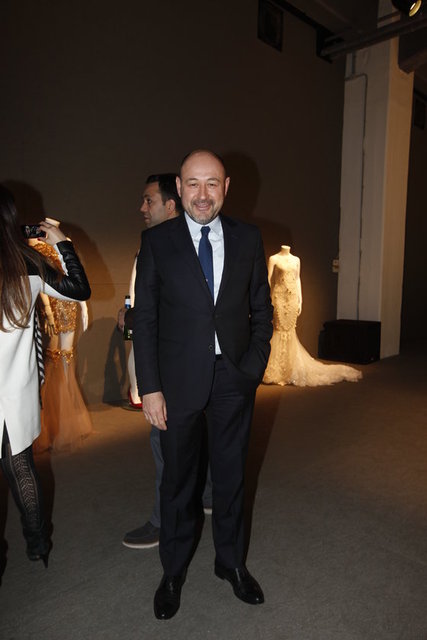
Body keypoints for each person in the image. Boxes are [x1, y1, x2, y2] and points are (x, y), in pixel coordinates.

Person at [133, 150, 273, 619]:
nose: (202, 194)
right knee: (178, 482)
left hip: (234, 377)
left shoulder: (248, 238)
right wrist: (150, 388)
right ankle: (172, 571)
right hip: (177, 384)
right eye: (193, 183)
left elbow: (261, 308)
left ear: (226, 187)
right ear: (179, 186)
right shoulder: (157, 242)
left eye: (212, 183)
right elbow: (145, 320)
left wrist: (253, 366)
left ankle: (230, 563)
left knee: (232, 478)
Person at [119, 174, 212, 550]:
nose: (142, 208)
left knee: (165, 447)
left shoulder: (177, 247)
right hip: (183, 364)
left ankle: (163, 522)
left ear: (170, 205)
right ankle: (205, 495)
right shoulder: (167, 243)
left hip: (171, 367)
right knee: (188, 439)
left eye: (149, 201)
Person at [0, 185, 91, 567]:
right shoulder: (27, 263)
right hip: (14, 392)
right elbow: (79, 289)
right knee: (21, 467)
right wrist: (61, 242)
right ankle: (38, 544)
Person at [29, 218, 92, 453]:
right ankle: (53, 421)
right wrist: (47, 310)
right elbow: (38, 280)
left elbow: (75, 274)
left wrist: (84, 306)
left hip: (70, 304)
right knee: (54, 358)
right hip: (54, 305)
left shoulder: (65, 240)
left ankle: (67, 418)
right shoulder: (34, 244)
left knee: (66, 357)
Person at [263, 245, 362, 386]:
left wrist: (300, 300)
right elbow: (268, 279)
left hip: (292, 298)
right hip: (278, 298)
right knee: (279, 330)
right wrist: (267, 299)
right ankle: (277, 371)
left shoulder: (296, 260)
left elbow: (297, 279)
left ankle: (289, 371)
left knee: (290, 331)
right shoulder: (274, 259)